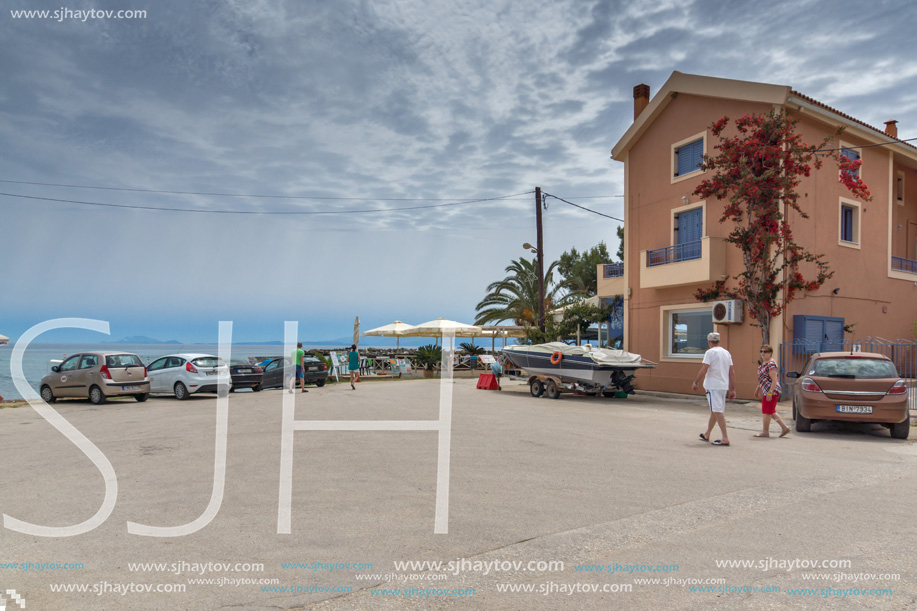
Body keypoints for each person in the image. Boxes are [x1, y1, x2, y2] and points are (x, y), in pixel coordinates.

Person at [692, 332, 736, 446]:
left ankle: (725, 438)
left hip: (713, 386)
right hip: (723, 386)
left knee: (717, 411)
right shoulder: (726, 353)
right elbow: (732, 372)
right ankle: (707, 434)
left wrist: (696, 382)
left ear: (709, 342)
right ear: (719, 341)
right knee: (715, 410)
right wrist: (732, 389)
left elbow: (704, 369)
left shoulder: (710, 352)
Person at [754, 345, 790, 438]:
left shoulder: (771, 364)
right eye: (761, 351)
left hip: (771, 391)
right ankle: (784, 427)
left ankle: (765, 432)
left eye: (765, 352)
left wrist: (770, 392)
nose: (763, 353)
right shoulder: (764, 363)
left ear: (770, 353)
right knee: (770, 411)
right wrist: (758, 388)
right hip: (766, 390)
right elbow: (762, 379)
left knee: (767, 412)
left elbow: (774, 379)